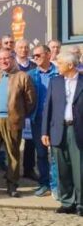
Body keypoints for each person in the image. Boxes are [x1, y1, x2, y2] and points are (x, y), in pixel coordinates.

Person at [0, 49, 36, 198]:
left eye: (7, 58)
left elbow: (31, 101)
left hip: (12, 120)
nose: (4, 61)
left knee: (13, 154)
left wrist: (19, 114)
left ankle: (12, 185)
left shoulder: (22, 76)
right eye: (0, 59)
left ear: (12, 59)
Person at [42, 52, 83, 215]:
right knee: (61, 167)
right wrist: (45, 131)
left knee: (79, 167)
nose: (57, 66)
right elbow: (48, 108)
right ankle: (67, 202)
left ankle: (80, 203)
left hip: (77, 129)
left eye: (60, 63)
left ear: (70, 65)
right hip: (58, 129)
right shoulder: (55, 82)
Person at [28, 44, 59, 197]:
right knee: (40, 154)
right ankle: (44, 183)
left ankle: (56, 185)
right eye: (34, 56)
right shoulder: (31, 74)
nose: (35, 58)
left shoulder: (59, 73)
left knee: (55, 154)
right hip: (37, 119)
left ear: (48, 54)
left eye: (38, 55)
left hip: (56, 120)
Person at [13, 39, 37, 181]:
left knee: (30, 142)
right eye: (21, 47)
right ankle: (12, 169)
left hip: (30, 109)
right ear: (15, 49)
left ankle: (29, 169)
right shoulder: (11, 65)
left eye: (26, 47)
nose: (24, 50)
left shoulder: (34, 65)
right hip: (14, 108)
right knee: (13, 141)